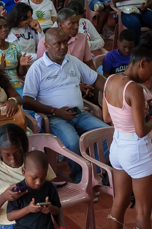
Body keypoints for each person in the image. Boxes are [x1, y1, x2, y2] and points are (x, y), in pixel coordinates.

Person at [100, 45, 152, 229]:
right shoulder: (134, 89)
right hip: (136, 150)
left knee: (119, 202)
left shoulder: (109, 81)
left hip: (116, 147)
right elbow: (140, 131)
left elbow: (106, 117)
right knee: (144, 209)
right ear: (142, 63)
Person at [21, 28, 107, 183]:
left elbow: (96, 79)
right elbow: (27, 100)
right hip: (53, 117)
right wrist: (55, 112)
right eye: (57, 44)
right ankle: (80, 177)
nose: (63, 47)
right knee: (72, 142)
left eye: (64, 43)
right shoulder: (37, 68)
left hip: (78, 113)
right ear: (46, 45)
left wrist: (116, 90)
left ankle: (90, 173)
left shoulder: (72, 61)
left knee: (108, 133)